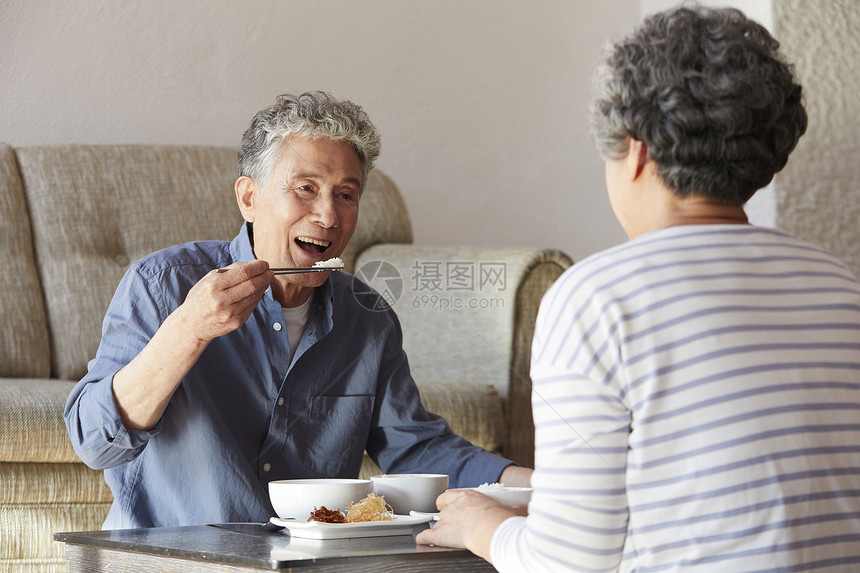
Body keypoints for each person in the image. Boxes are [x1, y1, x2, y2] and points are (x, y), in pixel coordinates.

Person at [417, 5, 860, 571]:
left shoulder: (597, 299)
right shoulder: (839, 286)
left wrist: (484, 525)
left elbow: (571, 565)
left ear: (637, 148)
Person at [65, 91, 531, 529]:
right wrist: (187, 331)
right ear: (249, 198)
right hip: (171, 559)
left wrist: (540, 487)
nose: (328, 216)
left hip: (305, 562)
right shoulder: (161, 285)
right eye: (306, 188)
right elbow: (93, 441)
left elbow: (417, 449)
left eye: (345, 195)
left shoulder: (368, 318)